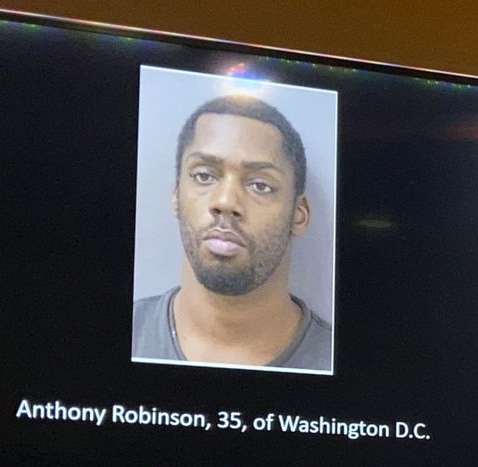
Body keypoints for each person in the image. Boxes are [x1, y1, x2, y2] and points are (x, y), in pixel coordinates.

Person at [132, 95, 332, 371]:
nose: (225, 201)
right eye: (204, 176)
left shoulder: (342, 361)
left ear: (299, 214)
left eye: (260, 184)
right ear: (177, 195)